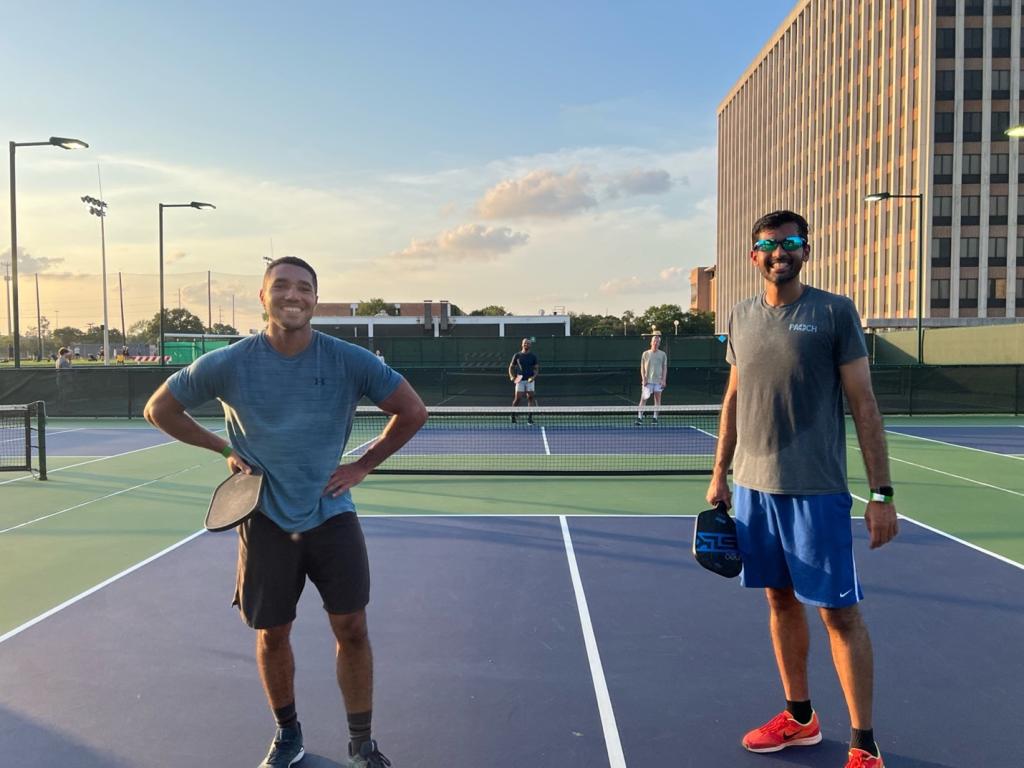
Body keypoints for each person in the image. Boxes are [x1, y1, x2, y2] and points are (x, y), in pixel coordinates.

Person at [144, 256, 427, 768]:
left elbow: (412, 411)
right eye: (281, 286)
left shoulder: (349, 360)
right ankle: (288, 733)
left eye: (303, 288)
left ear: (316, 300)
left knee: (353, 629)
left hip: (333, 517)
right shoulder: (229, 362)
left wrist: (361, 466)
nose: (292, 296)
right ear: (263, 296)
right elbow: (159, 408)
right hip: (265, 521)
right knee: (272, 635)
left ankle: (361, 743)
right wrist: (220, 448)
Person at [705, 211, 897, 768]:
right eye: (768, 244)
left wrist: (880, 494)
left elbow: (864, 404)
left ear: (806, 251)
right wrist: (720, 472)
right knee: (779, 600)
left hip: (817, 492)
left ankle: (864, 745)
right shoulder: (741, 316)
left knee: (839, 615)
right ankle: (801, 718)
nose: (778, 252)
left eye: (790, 243)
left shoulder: (834, 312)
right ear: (753, 256)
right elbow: (735, 398)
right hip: (753, 490)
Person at [635, 332, 667, 425]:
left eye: (657, 342)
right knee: (643, 398)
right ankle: (640, 417)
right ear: (651, 342)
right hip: (648, 381)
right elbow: (642, 368)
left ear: (659, 343)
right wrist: (644, 378)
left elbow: (664, 368)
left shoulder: (663, 354)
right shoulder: (645, 354)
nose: (655, 343)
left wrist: (663, 380)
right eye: (654, 341)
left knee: (657, 400)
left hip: (659, 381)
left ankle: (655, 418)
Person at [508, 338, 539, 424]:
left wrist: (533, 377)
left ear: (530, 345)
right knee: (518, 399)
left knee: (530, 398)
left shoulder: (533, 356)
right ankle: (513, 415)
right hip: (519, 379)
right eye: (525, 343)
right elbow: (511, 367)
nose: (526, 345)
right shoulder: (517, 355)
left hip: (530, 380)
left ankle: (529, 418)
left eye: (528, 343)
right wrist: (511, 376)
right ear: (522, 344)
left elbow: (536, 369)